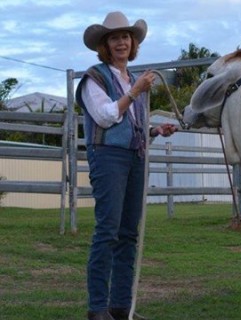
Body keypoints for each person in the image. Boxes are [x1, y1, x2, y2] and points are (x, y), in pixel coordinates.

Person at [76, 11, 177, 320]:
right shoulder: (95, 77)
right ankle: (97, 309)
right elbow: (106, 116)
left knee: (128, 233)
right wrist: (134, 93)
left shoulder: (133, 80)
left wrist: (155, 131)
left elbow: (130, 125)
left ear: (133, 43)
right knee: (107, 231)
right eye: (114, 38)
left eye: (125, 37)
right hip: (107, 156)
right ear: (105, 45)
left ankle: (120, 306)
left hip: (133, 157)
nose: (121, 42)